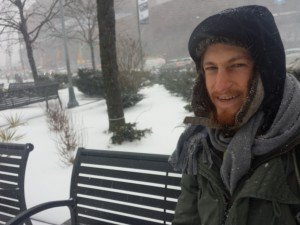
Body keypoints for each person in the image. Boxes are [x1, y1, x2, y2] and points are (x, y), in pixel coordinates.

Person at [169, 5, 300, 225]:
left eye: (237, 65)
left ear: (266, 71)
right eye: (211, 68)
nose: (220, 85)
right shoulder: (200, 145)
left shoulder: (293, 143)